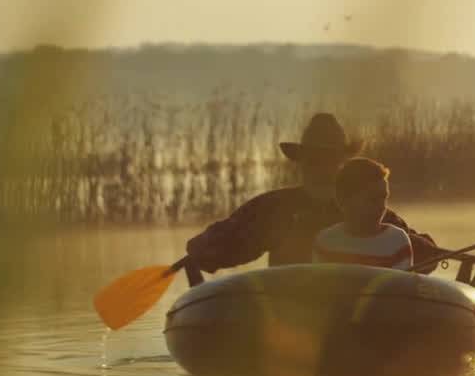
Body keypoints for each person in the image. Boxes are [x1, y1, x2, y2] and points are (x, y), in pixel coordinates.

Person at [184, 113, 439, 274]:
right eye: (315, 158)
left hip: (362, 315)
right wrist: (202, 250)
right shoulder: (274, 208)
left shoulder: (368, 209)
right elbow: (225, 245)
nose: (321, 165)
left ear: (341, 163)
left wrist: (431, 251)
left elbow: (424, 256)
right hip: (289, 314)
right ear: (303, 161)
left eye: (327, 158)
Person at [312, 158, 413, 269]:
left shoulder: (397, 242)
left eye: (384, 198)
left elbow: (398, 285)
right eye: (372, 199)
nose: (382, 207)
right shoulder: (326, 242)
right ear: (343, 200)